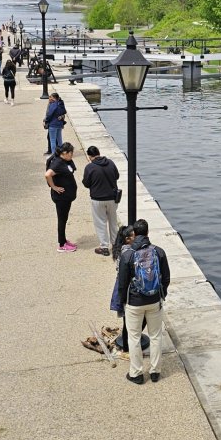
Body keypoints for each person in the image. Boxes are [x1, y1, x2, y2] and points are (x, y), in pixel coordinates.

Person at [116, 219, 170, 384]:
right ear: (147, 233)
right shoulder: (159, 252)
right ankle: (155, 372)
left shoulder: (128, 255)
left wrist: (122, 303)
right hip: (154, 301)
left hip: (134, 302)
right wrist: (161, 295)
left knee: (134, 337)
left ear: (134, 234)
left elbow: (122, 283)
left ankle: (136, 374)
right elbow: (166, 278)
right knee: (156, 336)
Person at [82, 145, 120, 255]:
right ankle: (116, 245)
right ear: (99, 153)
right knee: (113, 222)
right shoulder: (110, 163)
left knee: (100, 223)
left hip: (97, 199)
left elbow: (86, 183)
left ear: (90, 156)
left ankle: (104, 247)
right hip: (112, 198)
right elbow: (117, 176)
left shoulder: (89, 167)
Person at [44, 141, 78, 252]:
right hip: (61, 198)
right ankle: (62, 245)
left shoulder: (65, 161)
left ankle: (63, 239)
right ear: (64, 153)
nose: (72, 155)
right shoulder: (57, 163)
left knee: (64, 218)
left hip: (67, 197)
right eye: (71, 153)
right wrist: (54, 187)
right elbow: (47, 174)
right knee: (62, 220)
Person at [43, 92, 66, 156]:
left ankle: (54, 154)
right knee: (59, 139)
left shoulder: (53, 104)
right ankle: (61, 153)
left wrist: (46, 121)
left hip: (53, 124)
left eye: (51, 97)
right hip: (59, 124)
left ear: (54, 98)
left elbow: (49, 115)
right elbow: (64, 112)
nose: (49, 98)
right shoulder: (61, 103)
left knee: (52, 140)